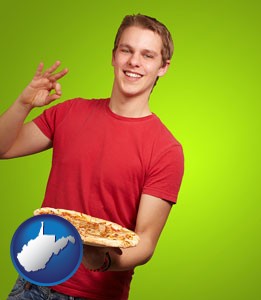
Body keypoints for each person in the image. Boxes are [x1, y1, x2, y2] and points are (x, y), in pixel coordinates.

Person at [1, 14, 184, 300]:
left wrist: (105, 261)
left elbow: (146, 241)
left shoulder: (166, 149)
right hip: (31, 284)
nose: (134, 62)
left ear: (163, 67)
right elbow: (3, 148)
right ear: (114, 56)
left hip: (94, 293)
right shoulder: (69, 113)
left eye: (147, 55)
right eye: (127, 50)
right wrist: (24, 103)